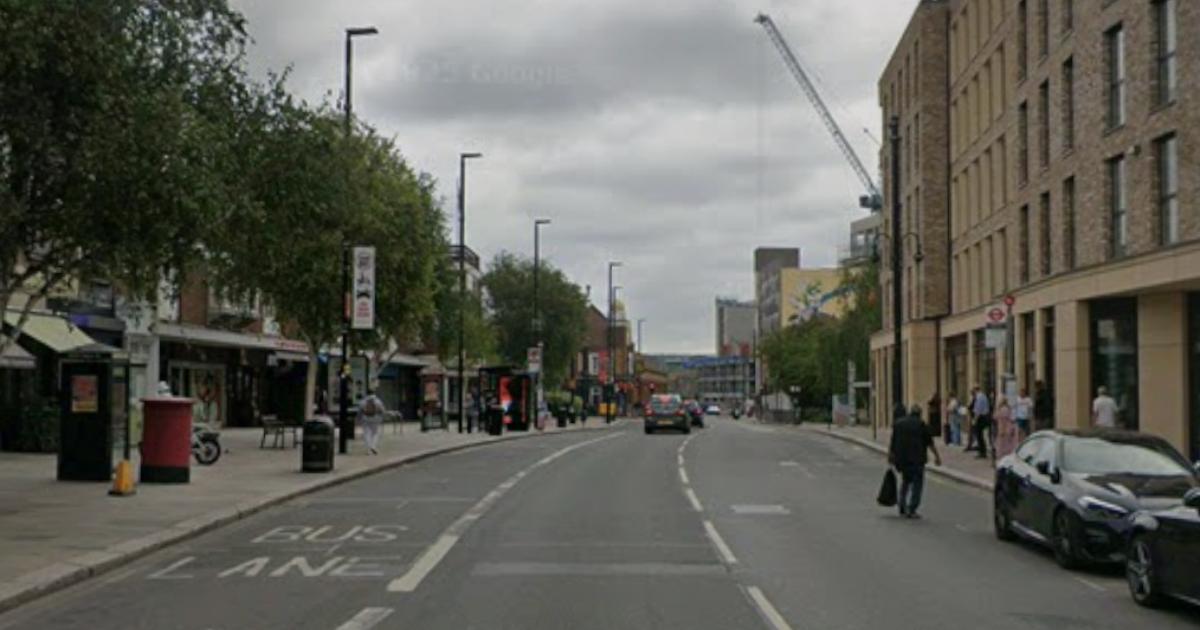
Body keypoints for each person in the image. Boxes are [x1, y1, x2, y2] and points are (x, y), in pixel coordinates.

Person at [888, 404, 942, 519]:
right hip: (917, 460)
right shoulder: (922, 425)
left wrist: (891, 456)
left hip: (902, 460)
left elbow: (893, 442)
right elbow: (930, 443)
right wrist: (937, 456)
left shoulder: (898, 424)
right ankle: (912, 509)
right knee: (917, 485)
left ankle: (902, 505)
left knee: (906, 482)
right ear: (920, 414)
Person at [357, 388, 386, 454]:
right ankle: (373, 446)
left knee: (366, 434)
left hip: (365, 419)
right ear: (373, 393)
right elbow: (382, 410)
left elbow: (360, 411)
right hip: (376, 419)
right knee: (375, 433)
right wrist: (382, 417)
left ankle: (368, 449)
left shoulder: (363, 401)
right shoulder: (378, 401)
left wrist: (358, 419)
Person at [970, 385, 992, 459]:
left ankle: (982, 452)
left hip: (981, 418)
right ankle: (982, 451)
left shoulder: (979, 397)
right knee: (980, 435)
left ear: (976, 390)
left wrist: (975, 420)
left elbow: (978, 410)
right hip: (984, 417)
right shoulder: (983, 396)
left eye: (973, 391)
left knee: (979, 435)